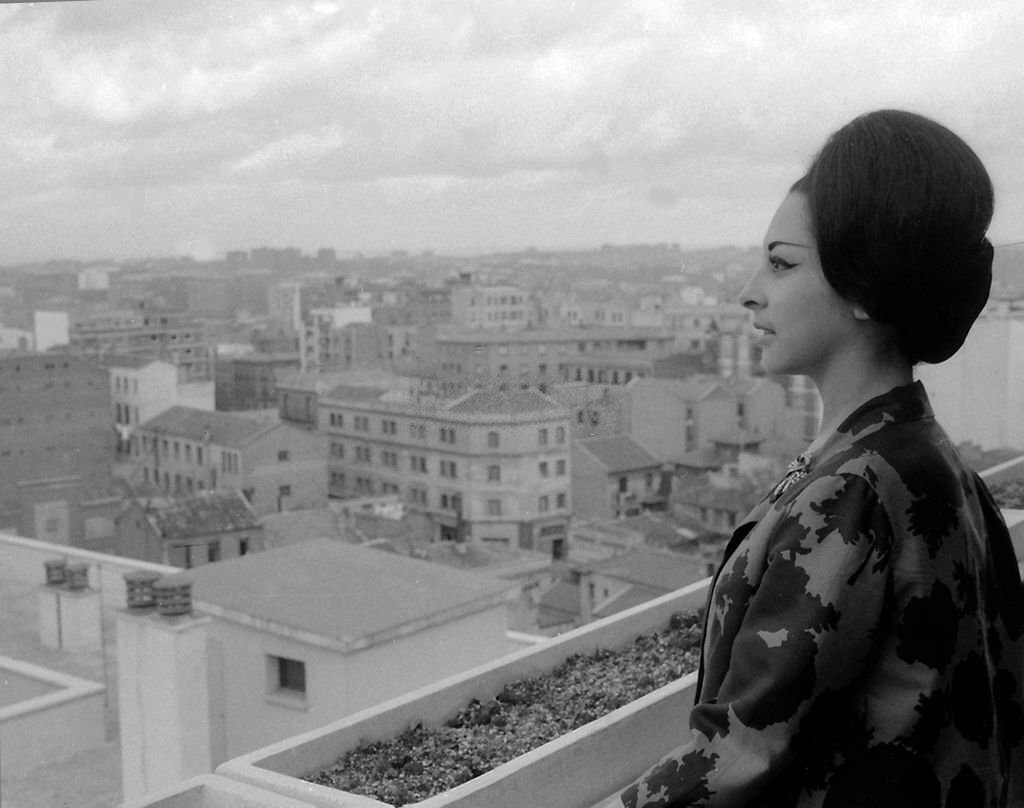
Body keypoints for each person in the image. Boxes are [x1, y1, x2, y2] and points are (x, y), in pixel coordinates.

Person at [604, 110, 1024, 807]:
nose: (750, 292)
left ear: (863, 285)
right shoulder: (935, 465)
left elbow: (740, 756)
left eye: (781, 263)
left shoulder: (853, 493)